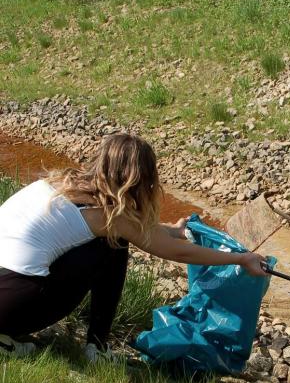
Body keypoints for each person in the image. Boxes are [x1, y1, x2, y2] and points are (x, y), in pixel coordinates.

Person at [0, 134, 266, 361]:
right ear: (137, 177)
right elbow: (177, 252)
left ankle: (17, 334)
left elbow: (134, 229)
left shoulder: (61, 184)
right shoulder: (110, 216)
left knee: (109, 241)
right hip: (11, 303)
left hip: (6, 289)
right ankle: (94, 345)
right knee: (113, 246)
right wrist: (241, 259)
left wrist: (173, 231)